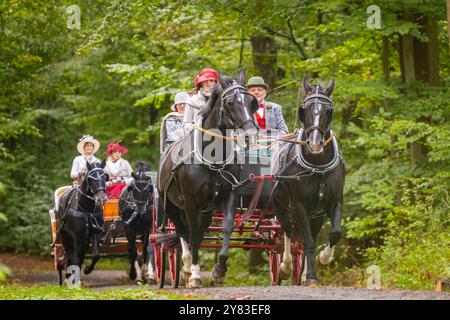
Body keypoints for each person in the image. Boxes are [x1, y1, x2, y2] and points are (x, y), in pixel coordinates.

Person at [183, 67, 219, 134]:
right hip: (197, 138)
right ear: (201, 83)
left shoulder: (221, 100)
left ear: (215, 83)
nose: (208, 83)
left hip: (221, 138)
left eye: (211, 80)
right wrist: (195, 129)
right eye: (205, 80)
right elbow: (185, 124)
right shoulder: (192, 101)